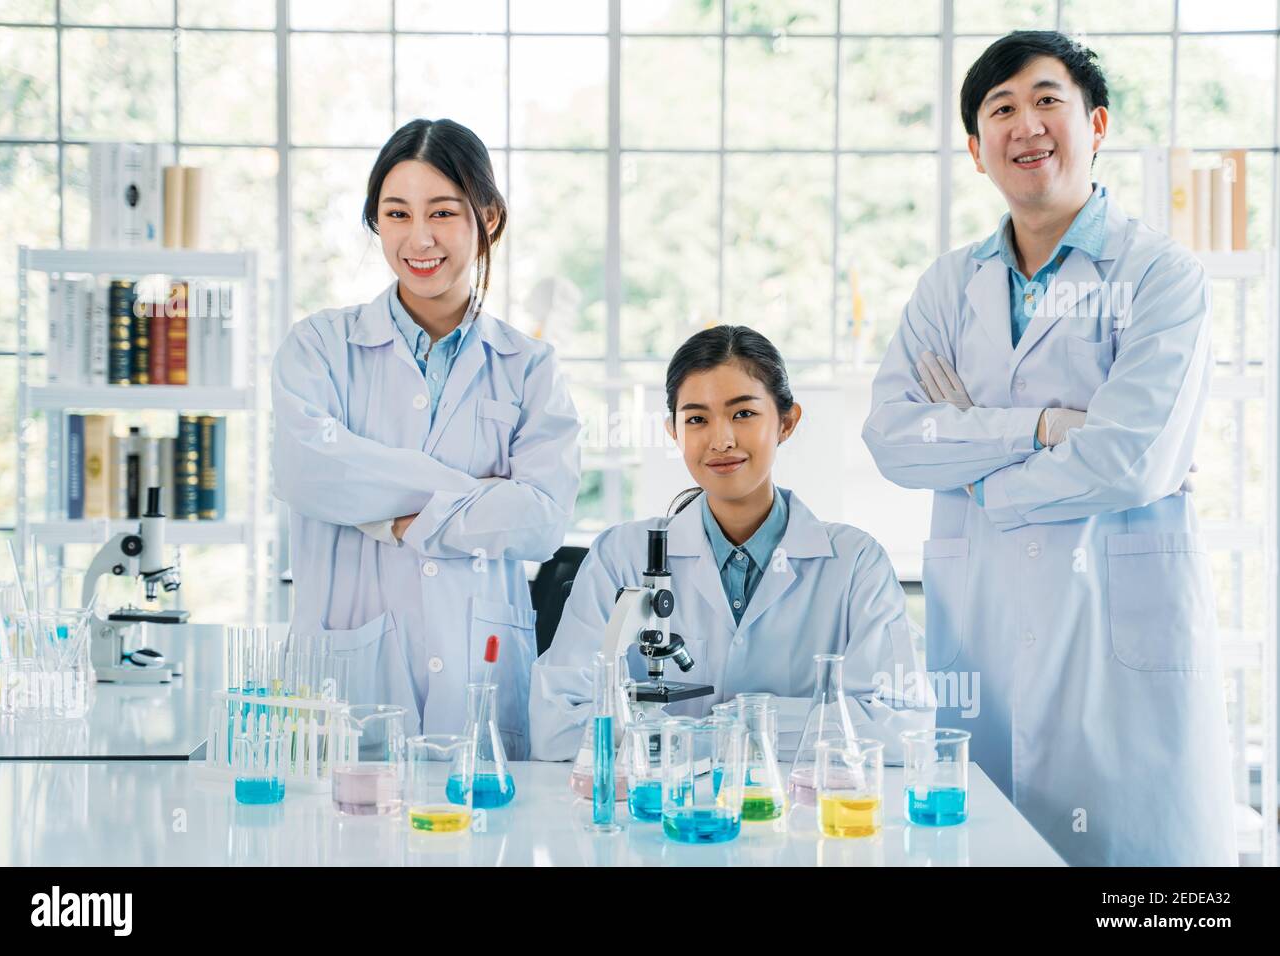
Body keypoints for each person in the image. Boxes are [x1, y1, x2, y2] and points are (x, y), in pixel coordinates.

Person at [863, 31, 1234, 865]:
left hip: (1119, 638)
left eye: (1046, 100)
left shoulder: (1160, 275)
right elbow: (892, 438)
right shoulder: (947, 286)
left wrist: (977, 470)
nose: (1025, 124)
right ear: (975, 147)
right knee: (984, 843)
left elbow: (1132, 458)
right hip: (984, 637)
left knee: (1137, 891)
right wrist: (1036, 427)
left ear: (1095, 125)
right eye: (1001, 109)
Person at [272, 118, 581, 758]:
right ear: (375, 223)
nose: (419, 238)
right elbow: (307, 473)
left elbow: (541, 523)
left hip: (481, 675)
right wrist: (473, 494)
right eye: (396, 213)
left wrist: (398, 519)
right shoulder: (320, 348)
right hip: (347, 678)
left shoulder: (530, 367)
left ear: (488, 218)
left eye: (442, 212)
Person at [530, 325, 933, 762]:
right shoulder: (620, 556)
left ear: (787, 422)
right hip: (658, 819)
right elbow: (557, 725)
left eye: (742, 414)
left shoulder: (855, 563)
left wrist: (732, 726)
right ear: (673, 432)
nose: (720, 440)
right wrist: (764, 732)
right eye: (697, 419)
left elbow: (900, 727)